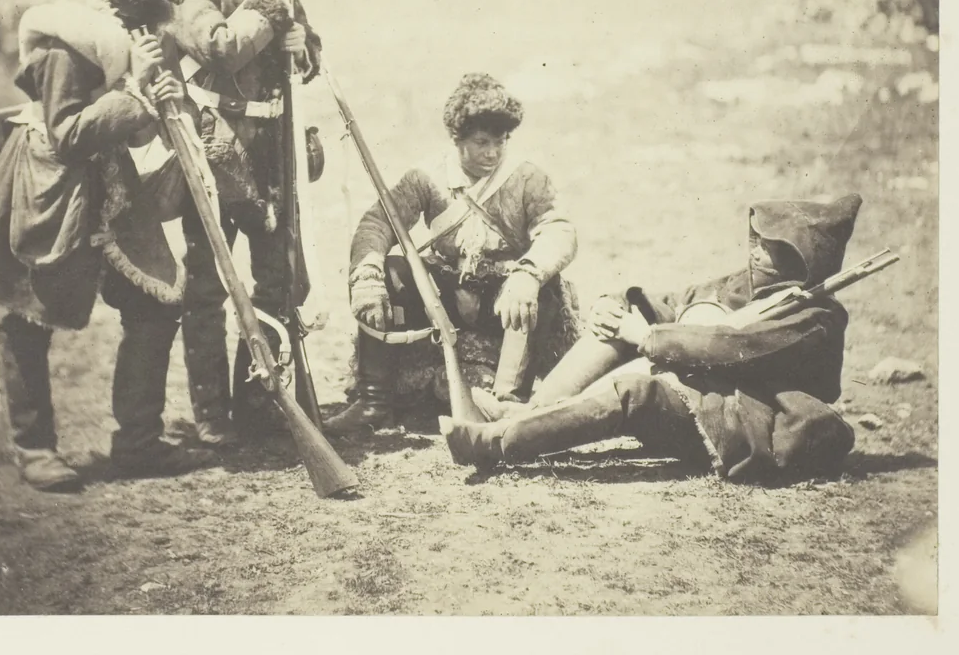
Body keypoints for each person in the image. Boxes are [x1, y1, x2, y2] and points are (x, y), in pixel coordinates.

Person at [0, 0, 209, 491]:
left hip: (110, 187)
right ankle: (34, 449)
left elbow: (134, 121)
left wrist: (159, 97)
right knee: (30, 314)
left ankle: (138, 442)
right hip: (52, 188)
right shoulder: (65, 43)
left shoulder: (138, 34)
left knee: (156, 302)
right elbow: (69, 133)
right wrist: (136, 93)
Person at [440, 194, 863, 485]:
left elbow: (732, 345)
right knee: (617, 326)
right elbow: (678, 302)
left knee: (636, 391)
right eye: (754, 239)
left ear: (804, 258)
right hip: (704, 390)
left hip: (737, 425)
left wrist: (648, 336)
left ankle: (497, 444)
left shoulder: (814, 318)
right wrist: (620, 306)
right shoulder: (742, 285)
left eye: (771, 246)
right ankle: (529, 413)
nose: (755, 250)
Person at [326, 73, 581, 434]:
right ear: (457, 138)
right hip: (445, 295)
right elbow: (377, 223)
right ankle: (373, 402)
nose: (493, 152)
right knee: (393, 271)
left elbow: (559, 229)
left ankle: (507, 404)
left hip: (505, 298)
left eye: (501, 140)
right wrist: (367, 274)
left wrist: (527, 274)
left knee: (543, 287)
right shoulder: (426, 176)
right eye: (481, 142)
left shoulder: (527, 178)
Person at [168, 0, 321, 445]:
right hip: (216, 152)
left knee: (279, 281)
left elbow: (306, 57)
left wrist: (305, 43)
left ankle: (264, 404)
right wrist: (273, 5)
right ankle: (211, 415)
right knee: (208, 283)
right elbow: (219, 48)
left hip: (274, 153)